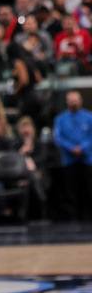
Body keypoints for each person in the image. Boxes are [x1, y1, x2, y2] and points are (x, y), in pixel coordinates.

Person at [52, 91, 92, 220]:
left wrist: (83, 148)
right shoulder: (60, 119)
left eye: (76, 99)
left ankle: (87, 216)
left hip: (86, 159)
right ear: (67, 102)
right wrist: (71, 148)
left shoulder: (89, 117)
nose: (74, 102)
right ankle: (73, 217)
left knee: (88, 189)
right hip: (69, 159)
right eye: (71, 100)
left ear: (81, 100)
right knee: (71, 190)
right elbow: (58, 138)